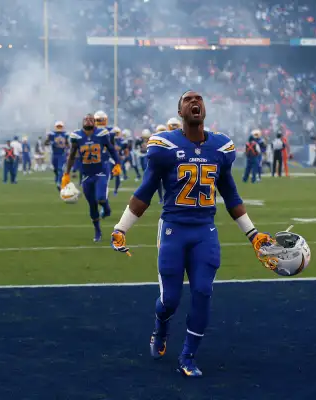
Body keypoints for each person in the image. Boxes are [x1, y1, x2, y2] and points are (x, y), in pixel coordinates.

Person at [110, 90, 274, 377]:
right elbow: (145, 192)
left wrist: (253, 234)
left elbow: (231, 196)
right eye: (188, 99)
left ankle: (188, 355)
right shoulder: (164, 146)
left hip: (204, 231)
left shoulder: (220, 148)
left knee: (202, 291)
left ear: (204, 109)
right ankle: (161, 329)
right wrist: (121, 228)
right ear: (180, 111)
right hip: (174, 228)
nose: (194, 102)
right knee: (170, 300)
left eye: (199, 99)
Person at [61, 114, 122, 242]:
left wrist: (117, 164)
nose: (88, 120)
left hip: (101, 171)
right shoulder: (77, 137)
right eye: (86, 119)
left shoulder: (102, 134)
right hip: (86, 174)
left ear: (94, 123)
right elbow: (72, 155)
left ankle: (106, 208)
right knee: (92, 205)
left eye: (91, 119)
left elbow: (111, 149)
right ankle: (97, 231)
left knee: (100, 197)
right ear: (82, 122)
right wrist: (66, 173)